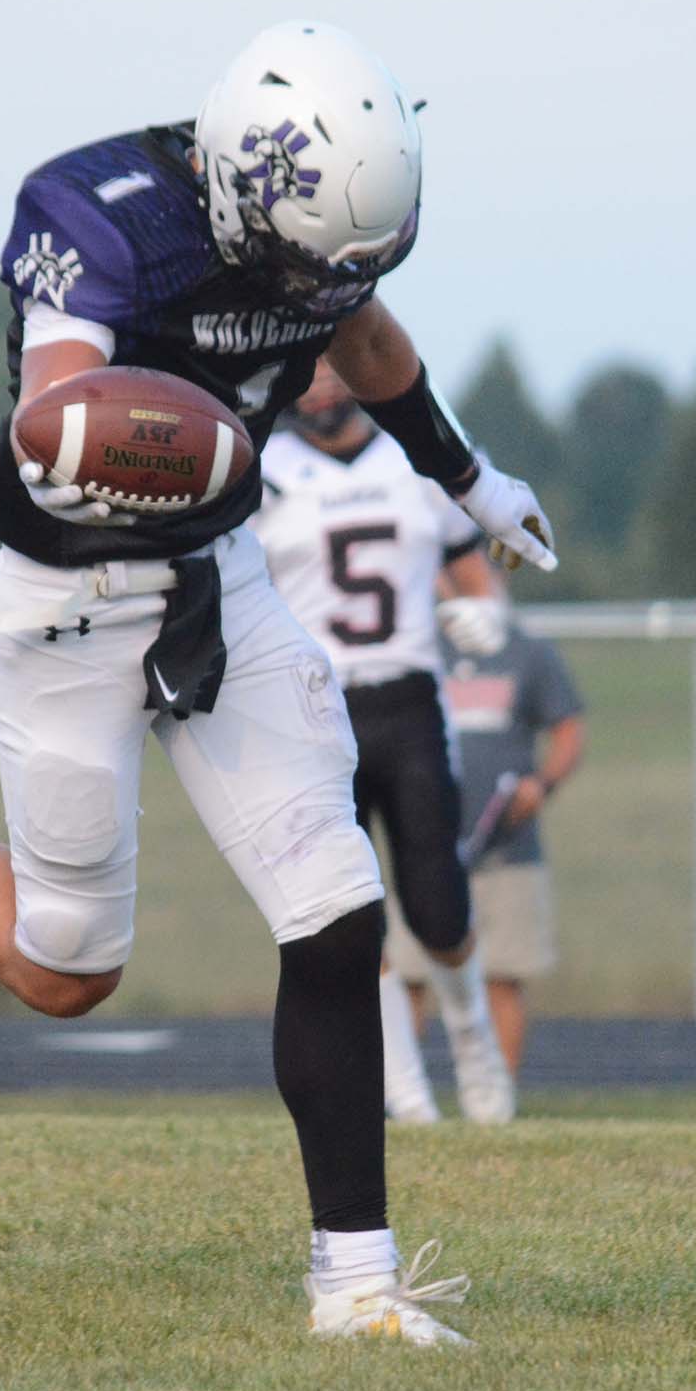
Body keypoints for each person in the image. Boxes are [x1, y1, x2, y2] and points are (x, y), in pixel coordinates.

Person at [0, 22, 559, 1347]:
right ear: (237, 189)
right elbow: (52, 410)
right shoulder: (99, 215)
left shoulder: (317, 238)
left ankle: (353, 1290)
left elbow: (369, 333)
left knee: (336, 909)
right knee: (67, 972)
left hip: (218, 577)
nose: (323, 289)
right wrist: (142, 436)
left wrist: (463, 475)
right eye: (308, 264)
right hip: (68, 606)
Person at [253, 359, 512, 1127]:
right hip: (311, 711)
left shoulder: (419, 454)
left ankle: (472, 1038)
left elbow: (475, 572)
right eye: (310, 366)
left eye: (336, 365)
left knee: (438, 908)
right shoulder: (260, 468)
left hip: (409, 703)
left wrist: (487, 616)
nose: (322, 383)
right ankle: (405, 1091)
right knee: (346, 909)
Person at [402, 584, 586, 1074]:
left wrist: (542, 784)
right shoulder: (416, 646)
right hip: (424, 841)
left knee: (501, 975)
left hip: (506, 849)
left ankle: (497, 1102)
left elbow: (568, 728)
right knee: (406, 975)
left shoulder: (528, 650)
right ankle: (398, 1097)